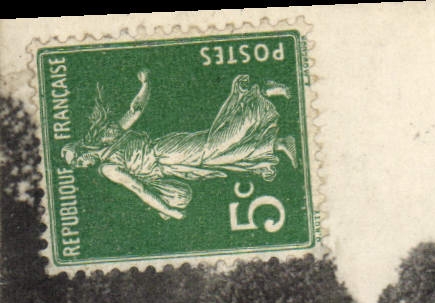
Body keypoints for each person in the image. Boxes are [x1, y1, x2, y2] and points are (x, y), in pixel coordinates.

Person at [61, 70, 297, 220]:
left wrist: (146, 84)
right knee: (221, 158)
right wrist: (166, 207)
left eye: (79, 159)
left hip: (165, 152)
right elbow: (142, 187)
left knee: (215, 145)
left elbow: (135, 112)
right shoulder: (106, 162)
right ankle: (278, 144)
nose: (82, 165)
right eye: (78, 166)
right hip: (168, 169)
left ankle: (260, 92)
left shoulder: (108, 150)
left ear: (83, 148)